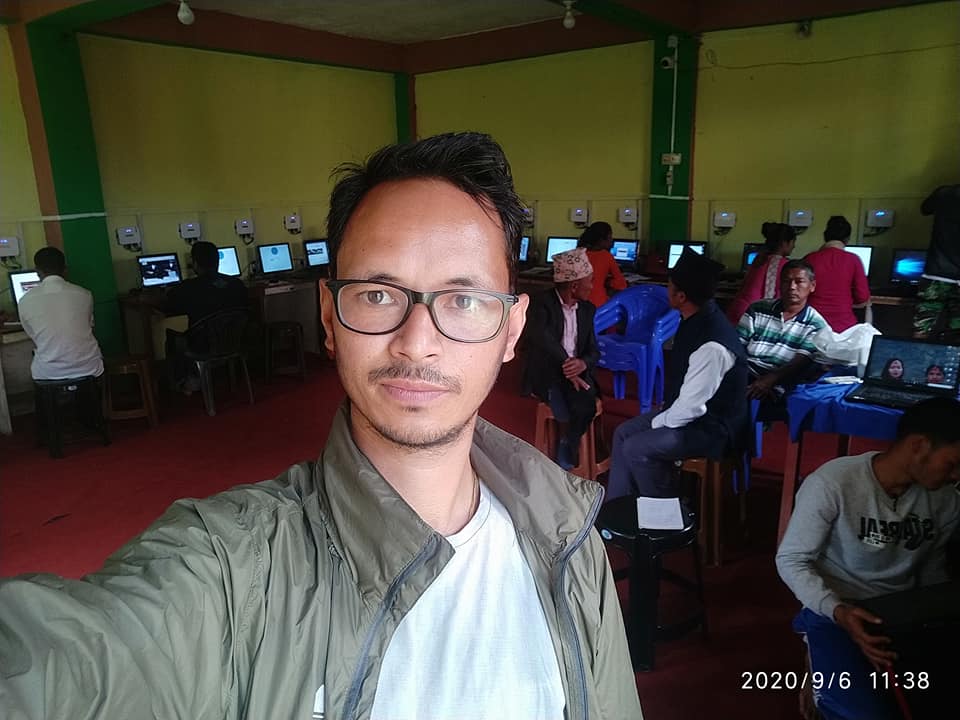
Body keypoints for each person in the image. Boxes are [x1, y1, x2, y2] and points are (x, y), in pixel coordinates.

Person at [0, 132, 642, 719]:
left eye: (464, 299)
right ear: (330, 318)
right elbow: (62, 665)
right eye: (378, 295)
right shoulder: (233, 570)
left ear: (511, 329)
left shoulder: (569, 536)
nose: (417, 342)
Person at [776, 397, 960, 720]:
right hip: (836, 610)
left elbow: (931, 567)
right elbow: (791, 560)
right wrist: (838, 611)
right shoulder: (833, 483)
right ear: (919, 446)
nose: (956, 476)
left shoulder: (947, 500)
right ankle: (817, 654)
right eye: (952, 464)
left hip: (899, 611)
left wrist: (937, 619)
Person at [606, 247, 748, 500]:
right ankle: (618, 507)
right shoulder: (694, 317)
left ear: (681, 296)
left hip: (711, 428)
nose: (666, 290)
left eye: (669, 286)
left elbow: (691, 409)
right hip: (687, 413)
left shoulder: (712, 345)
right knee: (622, 433)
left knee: (637, 447)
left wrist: (657, 422)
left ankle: (667, 518)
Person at [521, 246, 599, 470]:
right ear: (574, 286)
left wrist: (581, 364)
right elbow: (543, 339)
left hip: (577, 373)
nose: (592, 287)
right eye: (590, 282)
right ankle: (562, 450)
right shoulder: (541, 304)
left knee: (585, 405)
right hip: (548, 372)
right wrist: (568, 365)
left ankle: (567, 442)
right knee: (563, 408)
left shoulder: (587, 310)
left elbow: (594, 351)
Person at [738, 260, 829, 402]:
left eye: (799, 281)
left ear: (812, 286)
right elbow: (737, 345)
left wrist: (770, 380)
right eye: (786, 281)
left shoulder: (817, 325)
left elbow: (799, 362)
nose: (792, 287)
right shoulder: (758, 308)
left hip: (778, 380)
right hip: (744, 372)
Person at [163, 240, 248, 391]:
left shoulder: (188, 288)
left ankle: (184, 383)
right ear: (218, 261)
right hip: (235, 342)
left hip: (203, 345)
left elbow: (168, 306)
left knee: (172, 339)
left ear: (195, 264)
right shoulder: (237, 284)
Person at [17, 246, 103, 381]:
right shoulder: (84, 294)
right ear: (65, 269)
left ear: (37, 271)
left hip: (48, 373)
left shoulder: (24, 301)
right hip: (89, 369)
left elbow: (32, 335)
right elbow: (89, 325)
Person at [803, 215, 870, 332]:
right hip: (843, 327)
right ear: (847, 239)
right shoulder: (853, 260)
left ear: (825, 236)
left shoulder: (809, 259)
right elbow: (863, 298)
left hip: (811, 324)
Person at [913, 184, 960, 340]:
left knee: (921, 328)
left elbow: (925, 209)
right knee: (956, 333)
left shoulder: (944, 193)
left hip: (935, 274)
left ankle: (916, 355)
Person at [726, 221, 797, 324]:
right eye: (793, 242)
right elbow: (769, 298)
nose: (794, 246)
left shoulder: (759, 259)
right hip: (750, 315)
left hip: (737, 311)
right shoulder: (782, 264)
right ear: (784, 243)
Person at [578, 220, 627, 309]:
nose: (612, 241)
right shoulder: (606, 256)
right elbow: (621, 284)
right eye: (610, 237)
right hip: (597, 304)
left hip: (577, 303)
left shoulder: (577, 254)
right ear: (601, 240)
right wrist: (608, 282)